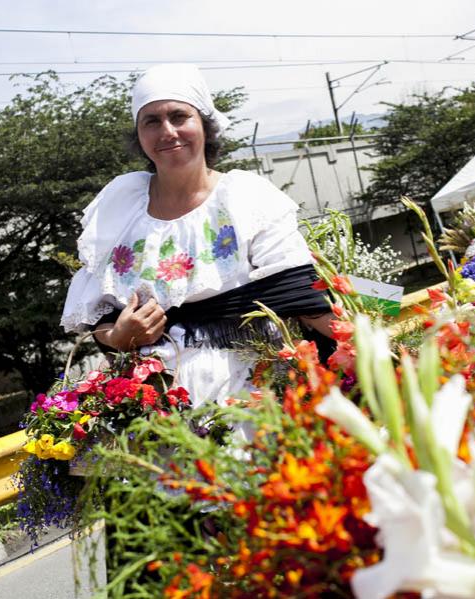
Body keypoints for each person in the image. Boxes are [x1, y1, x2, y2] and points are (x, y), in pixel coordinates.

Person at [61, 63, 333, 411]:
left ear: (205, 124)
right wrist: (119, 337)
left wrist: (379, 352)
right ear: (139, 135)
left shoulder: (246, 197)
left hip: (255, 399)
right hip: (155, 411)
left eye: (179, 116)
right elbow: (99, 310)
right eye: (152, 121)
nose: (168, 131)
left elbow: (302, 296)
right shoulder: (121, 203)